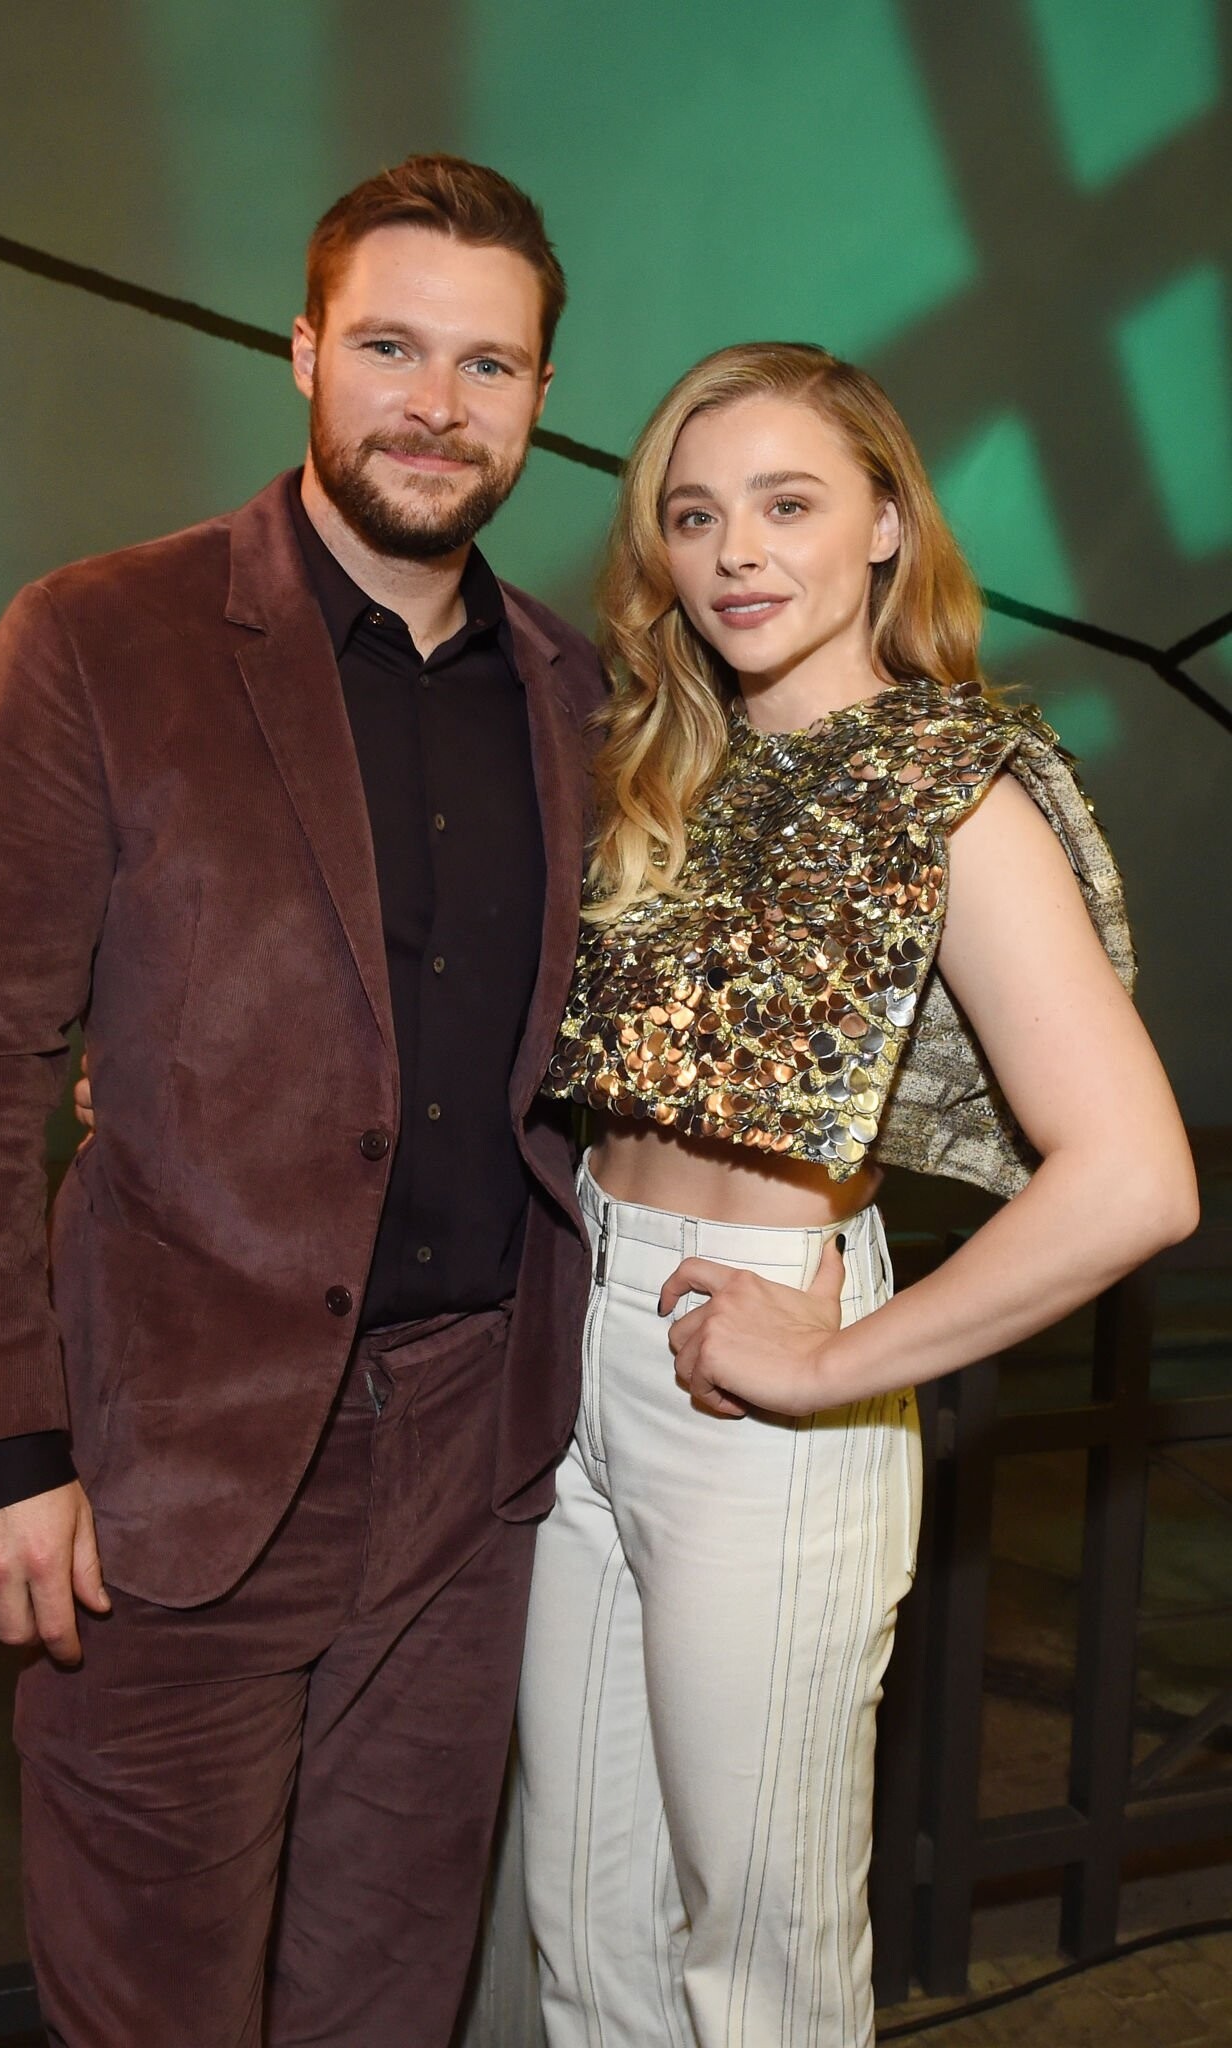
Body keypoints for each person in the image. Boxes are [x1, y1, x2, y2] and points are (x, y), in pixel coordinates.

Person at [0, 155, 605, 2048]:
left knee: (388, 2000)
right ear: (301, 351)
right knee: (153, 2010)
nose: (436, 404)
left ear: (542, 397)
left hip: (474, 1470)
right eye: (390, 347)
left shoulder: (580, 693)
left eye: (488, 364)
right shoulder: (98, 637)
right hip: (168, 1474)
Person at [522, 342, 1198, 2047]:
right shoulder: (660, 767)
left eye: (788, 503)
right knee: (583, 1935)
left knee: (755, 1963)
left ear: (887, 523)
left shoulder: (948, 782)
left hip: (762, 1383)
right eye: (694, 516)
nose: (736, 552)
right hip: (576, 1343)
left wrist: (838, 1362)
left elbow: (1135, 1178)